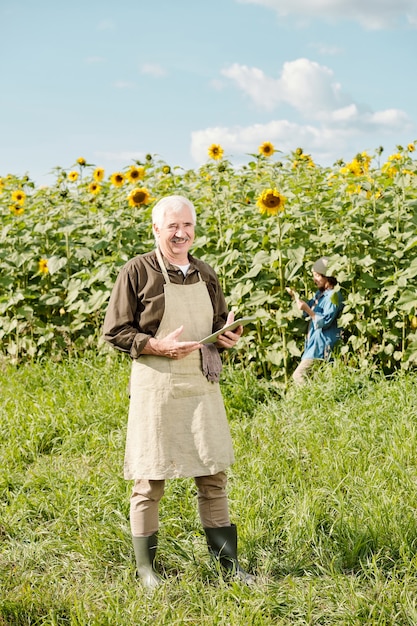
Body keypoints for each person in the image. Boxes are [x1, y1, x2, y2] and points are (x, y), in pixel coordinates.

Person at [102, 194, 254, 589]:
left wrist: (227, 337)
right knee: (150, 478)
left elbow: (216, 325)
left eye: (187, 226)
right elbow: (115, 332)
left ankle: (228, 567)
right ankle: (147, 571)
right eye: (172, 226)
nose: (181, 233)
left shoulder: (205, 273)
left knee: (213, 474)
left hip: (201, 386)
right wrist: (156, 345)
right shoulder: (137, 271)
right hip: (158, 386)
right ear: (156, 229)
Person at [286, 256, 344, 386]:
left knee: (298, 375)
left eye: (317, 276)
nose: (315, 279)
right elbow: (307, 311)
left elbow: (325, 320)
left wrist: (307, 309)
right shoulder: (320, 294)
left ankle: (309, 400)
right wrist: (296, 298)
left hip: (322, 344)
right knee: (318, 381)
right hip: (314, 343)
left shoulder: (334, 295)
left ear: (327, 277)